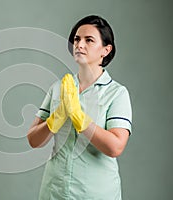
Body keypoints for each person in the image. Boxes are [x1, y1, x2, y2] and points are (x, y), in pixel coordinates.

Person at [27, 15, 132, 200]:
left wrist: (79, 117)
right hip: (54, 191)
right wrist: (55, 119)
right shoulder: (58, 88)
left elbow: (115, 147)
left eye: (89, 40)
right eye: (77, 39)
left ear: (106, 50)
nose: (79, 45)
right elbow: (34, 141)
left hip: (95, 193)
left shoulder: (117, 93)